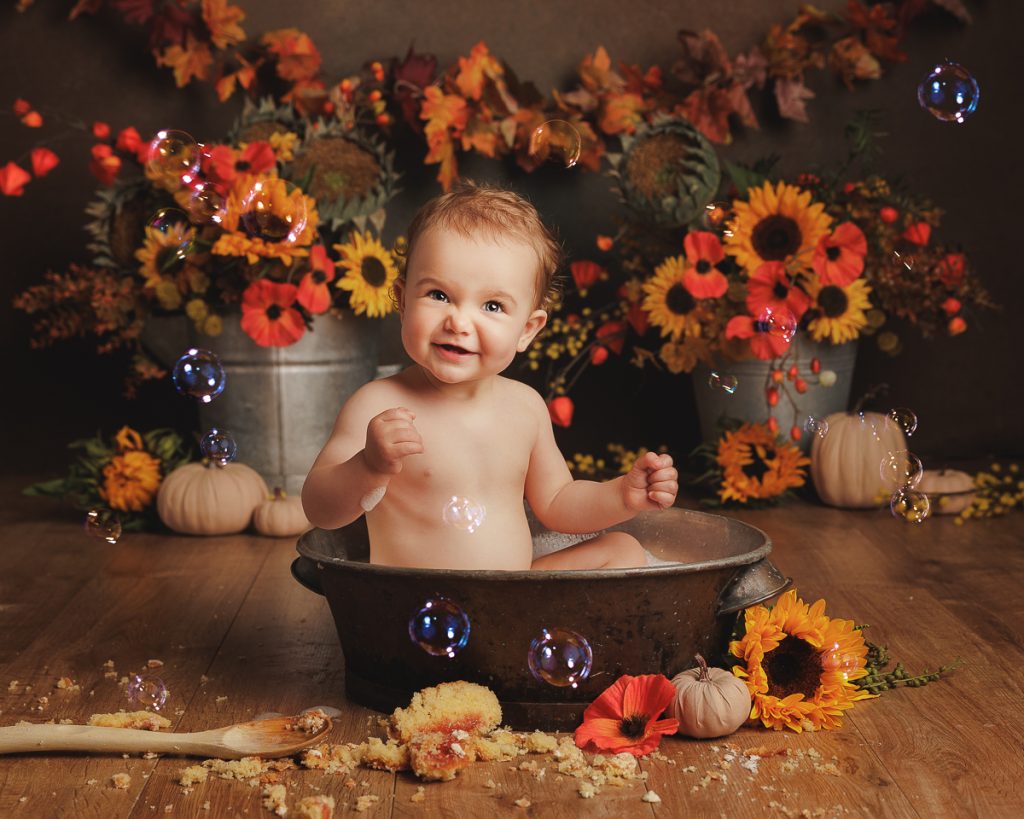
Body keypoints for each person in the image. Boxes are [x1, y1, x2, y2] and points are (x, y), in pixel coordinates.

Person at [302, 183, 677, 570]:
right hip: (421, 600)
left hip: (512, 599)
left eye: (492, 305)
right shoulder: (377, 405)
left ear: (527, 330)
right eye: (438, 295)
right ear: (402, 300)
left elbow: (558, 503)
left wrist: (622, 496)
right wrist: (368, 465)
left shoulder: (524, 407)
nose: (459, 321)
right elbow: (319, 509)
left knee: (622, 550)